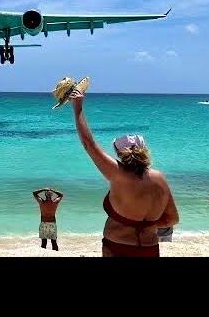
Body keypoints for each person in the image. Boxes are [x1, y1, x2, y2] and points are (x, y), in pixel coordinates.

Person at [68, 89, 179, 257]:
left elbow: (89, 144)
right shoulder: (159, 178)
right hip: (149, 249)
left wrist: (78, 108)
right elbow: (173, 219)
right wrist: (148, 225)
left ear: (119, 154)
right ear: (144, 150)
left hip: (118, 247)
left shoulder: (117, 174)